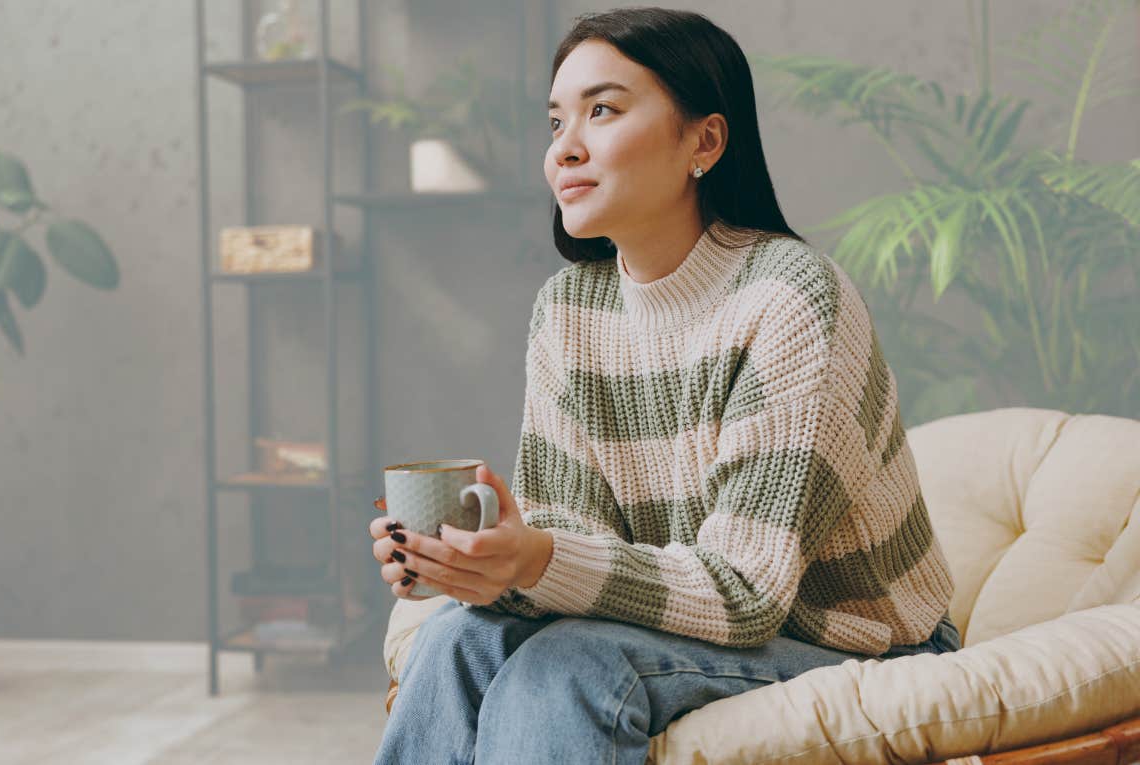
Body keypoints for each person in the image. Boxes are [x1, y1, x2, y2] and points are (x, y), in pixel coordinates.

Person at [369, 7, 960, 764]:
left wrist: (535, 560)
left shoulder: (789, 300)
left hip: (862, 645)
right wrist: (487, 566)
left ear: (704, 140)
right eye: (555, 123)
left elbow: (748, 591)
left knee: (566, 667)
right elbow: (571, 535)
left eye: (602, 110)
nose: (564, 150)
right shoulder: (568, 310)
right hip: (686, 626)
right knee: (456, 636)